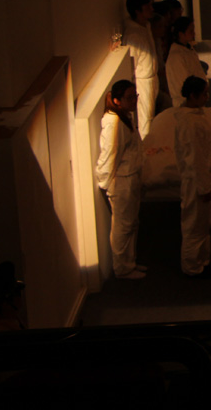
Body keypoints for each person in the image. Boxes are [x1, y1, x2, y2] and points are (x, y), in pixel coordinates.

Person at [94, 79, 146, 279]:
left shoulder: (124, 117)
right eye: (130, 98)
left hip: (129, 177)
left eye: (135, 96)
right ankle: (123, 268)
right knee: (123, 226)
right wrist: (106, 183)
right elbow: (110, 154)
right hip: (122, 181)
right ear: (117, 100)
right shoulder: (113, 122)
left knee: (131, 223)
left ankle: (129, 262)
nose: (134, 101)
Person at [174, 76, 211, 279]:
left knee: (202, 225)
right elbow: (196, 158)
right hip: (195, 182)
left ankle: (202, 261)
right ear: (193, 95)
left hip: (201, 177)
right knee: (194, 226)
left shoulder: (193, 116)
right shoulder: (190, 123)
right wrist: (204, 187)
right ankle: (192, 267)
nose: (207, 97)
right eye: (204, 94)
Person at [123, 0, 160, 138]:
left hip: (151, 77)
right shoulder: (134, 35)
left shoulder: (146, 26)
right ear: (138, 11)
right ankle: (146, 145)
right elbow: (132, 65)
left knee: (150, 116)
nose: (152, 9)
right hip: (142, 81)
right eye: (147, 7)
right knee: (145, 119)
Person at [165, 16, 207, 108]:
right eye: (190, 31)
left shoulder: (188, 48)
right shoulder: (176, 56)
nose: (194, 33)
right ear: (181, 34)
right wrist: (194, 97)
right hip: (187, 102)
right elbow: (183, 84)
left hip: (196, 97)